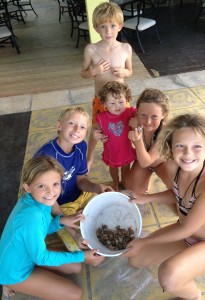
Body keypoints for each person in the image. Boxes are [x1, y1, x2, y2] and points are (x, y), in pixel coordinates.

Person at [123, 113, 205, 300]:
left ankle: (193, 296)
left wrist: (144, 241)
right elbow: (178, 193)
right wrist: (146, 198)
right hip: (186, 234)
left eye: (196, 147)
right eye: (180, 146)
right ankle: (189, 259)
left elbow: (186, 229)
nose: (187, 154)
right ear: (170, 146)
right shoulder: (173, 166)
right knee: (136, 259)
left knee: (169, 277)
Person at [0, 157, 104, 300]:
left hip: (27, 253)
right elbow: (41, 257)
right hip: (14, 272)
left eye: (55, 184)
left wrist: (62, 220)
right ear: (27, 187)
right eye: (42, 186)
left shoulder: (33, 201)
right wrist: (83, 256)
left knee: (76, 267)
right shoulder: (32, 216)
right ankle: (9, 283)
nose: (51, 192)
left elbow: (40, 229)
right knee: (75, 294)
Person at [33, 106, 113, 250]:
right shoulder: (46, 157)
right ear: (59, 125)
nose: (77, 129)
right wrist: (69, 227)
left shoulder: (81, 146)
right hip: (58, 205)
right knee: (80, 243)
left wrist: (97, 188)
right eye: (72, 123)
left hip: (79, 195)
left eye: (82, 127)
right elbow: (47, 198)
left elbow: (80, 180)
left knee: (109, 211)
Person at [81, 2, 132, 171]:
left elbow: (130, 71)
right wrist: (93, 71)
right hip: (101, 100)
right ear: (96, 28)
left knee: (124, 129)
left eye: (112, 26)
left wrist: (124, 72)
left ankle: (125, 153)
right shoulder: (91, 49)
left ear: (120, 26)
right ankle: (89, 158)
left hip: (121, 101)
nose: (108, 31)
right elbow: (83, 73)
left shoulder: (126, 48)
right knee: (97, 129)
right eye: (103, 27)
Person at [124, 88, 170, 194]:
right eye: (143, 115)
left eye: (154, 116)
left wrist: (138, 140)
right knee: (131, 189)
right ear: (137, 111)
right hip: (144, 159)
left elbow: (145, 162)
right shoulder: (135, 121)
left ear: (163, 115)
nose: (148, 122)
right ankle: (146, 179)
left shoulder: (165, 132)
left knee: (177, 187)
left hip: (163, 163)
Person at [93, 81, 136, 191]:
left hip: (126, 149)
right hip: (111, 151)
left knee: (126, 168)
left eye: (121, 102)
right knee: (113, 169)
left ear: (127, 100)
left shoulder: (129, 112)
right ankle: (115, 181)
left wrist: (137, 122)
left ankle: (125, 181)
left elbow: (141, 114)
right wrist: (96, 134)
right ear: (104, 104)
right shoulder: (101, 117)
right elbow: (96, 128)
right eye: (112, 103)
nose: (117, 106)